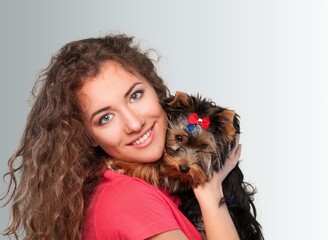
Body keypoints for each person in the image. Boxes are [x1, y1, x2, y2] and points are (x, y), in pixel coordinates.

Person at [1, 34, 241, 240]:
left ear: (155, 89)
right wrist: (211, 195)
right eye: (105, 118)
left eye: (135, 95)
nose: (134, 123)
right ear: (87, 136)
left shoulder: (143, 185)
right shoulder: (128, 200)